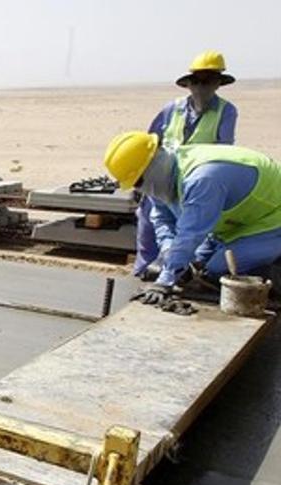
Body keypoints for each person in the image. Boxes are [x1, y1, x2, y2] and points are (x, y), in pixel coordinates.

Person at [104, 131, 281, 307]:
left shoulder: (203, 178)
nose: (139, 189)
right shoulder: (161, 175)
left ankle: (273, 281)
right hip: (236, 224)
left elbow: (191, 233)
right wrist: (168, 252)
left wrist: (165, 281)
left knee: (218, 270)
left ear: (151, 165)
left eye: (138, 183)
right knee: (195, 265)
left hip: (272, 219)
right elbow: (162, 220)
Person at [133, 50, 238, 278]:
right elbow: (149, 143)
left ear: (218, 83)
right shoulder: (173, 109)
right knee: (150, 229)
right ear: (188, 84)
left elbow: (224, 152)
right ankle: (144, 274)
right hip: (161, 176)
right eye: (197, 81)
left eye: (208, 81)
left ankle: (179, 274)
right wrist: (140, 182)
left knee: (190, 232)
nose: (201, 87)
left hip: (193, 181)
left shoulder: (226, 111)